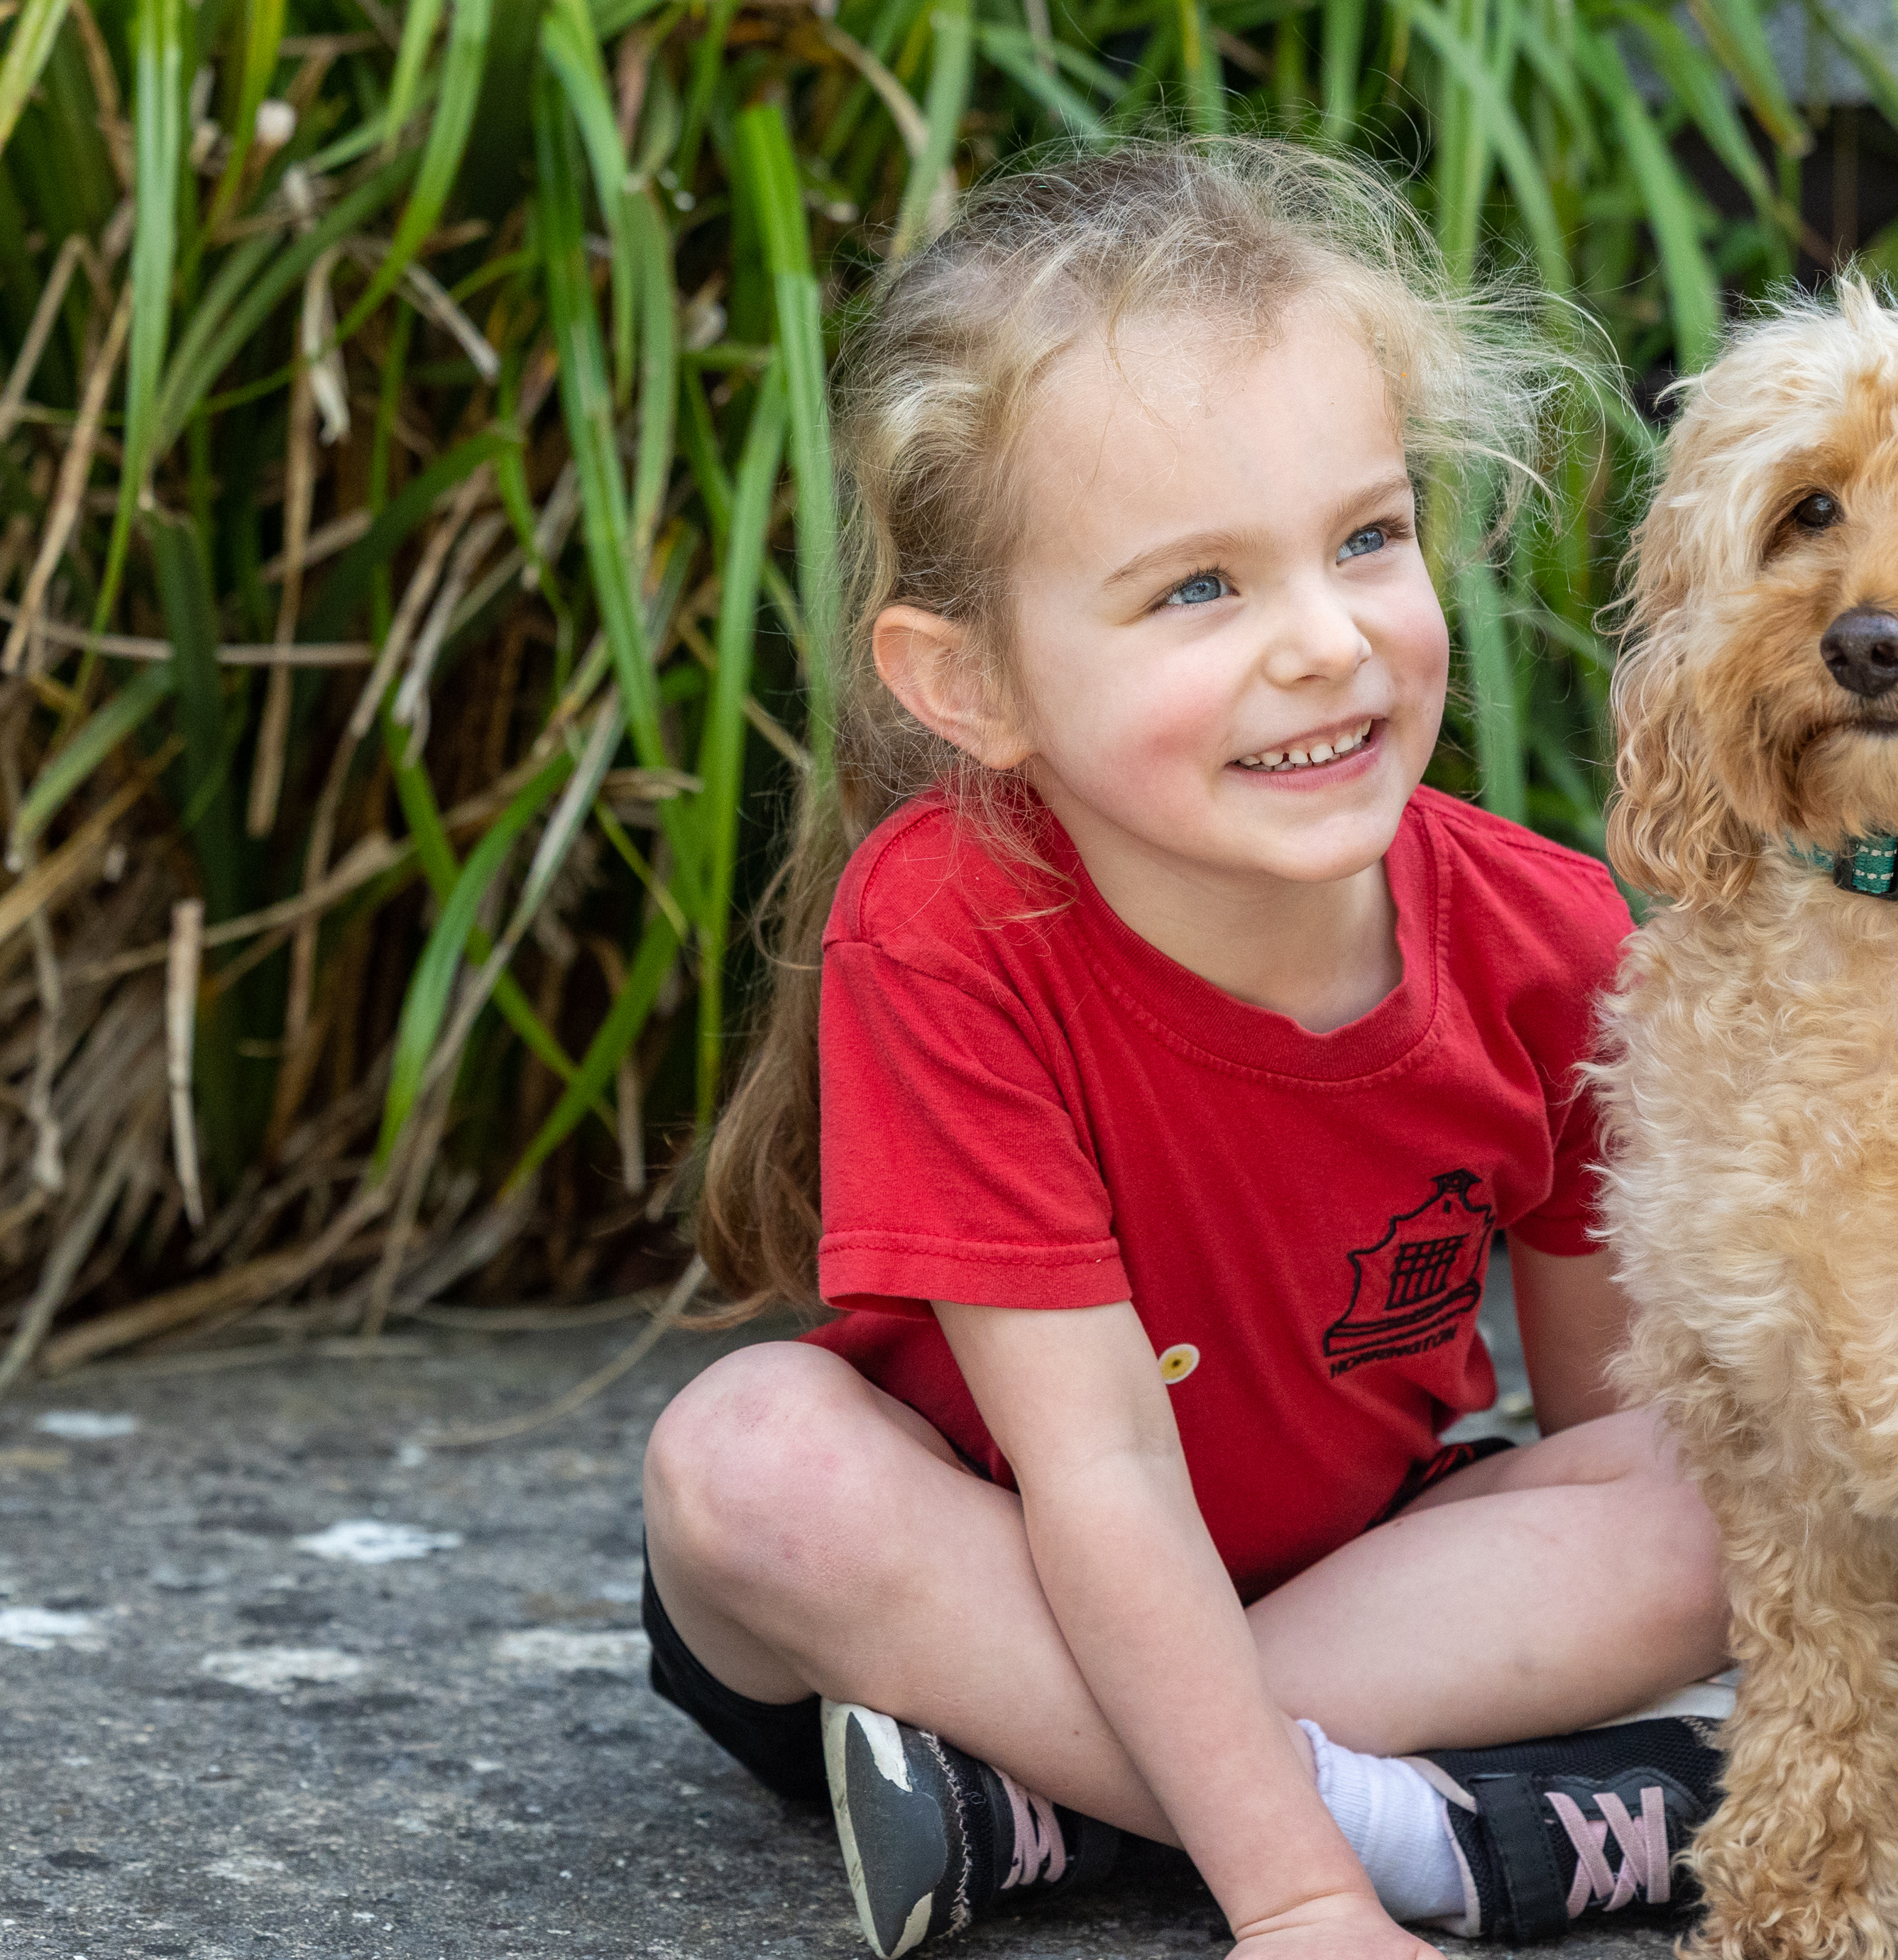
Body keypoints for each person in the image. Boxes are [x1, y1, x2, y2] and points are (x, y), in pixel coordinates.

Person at [640, 139, 1732, 1960]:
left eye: (1367, 538)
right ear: (969, 685)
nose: (1326, 642)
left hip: (1355, 1584)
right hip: (951, 1591)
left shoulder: (1553, 941)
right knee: (747, 1458)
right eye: (1196, 590)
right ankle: (1394, 1830)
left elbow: (1613, 1441)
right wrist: (1305, 1896)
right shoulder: (948, 925)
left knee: (1729, 1487)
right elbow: (1104, 1477)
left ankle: (1029, 1806)